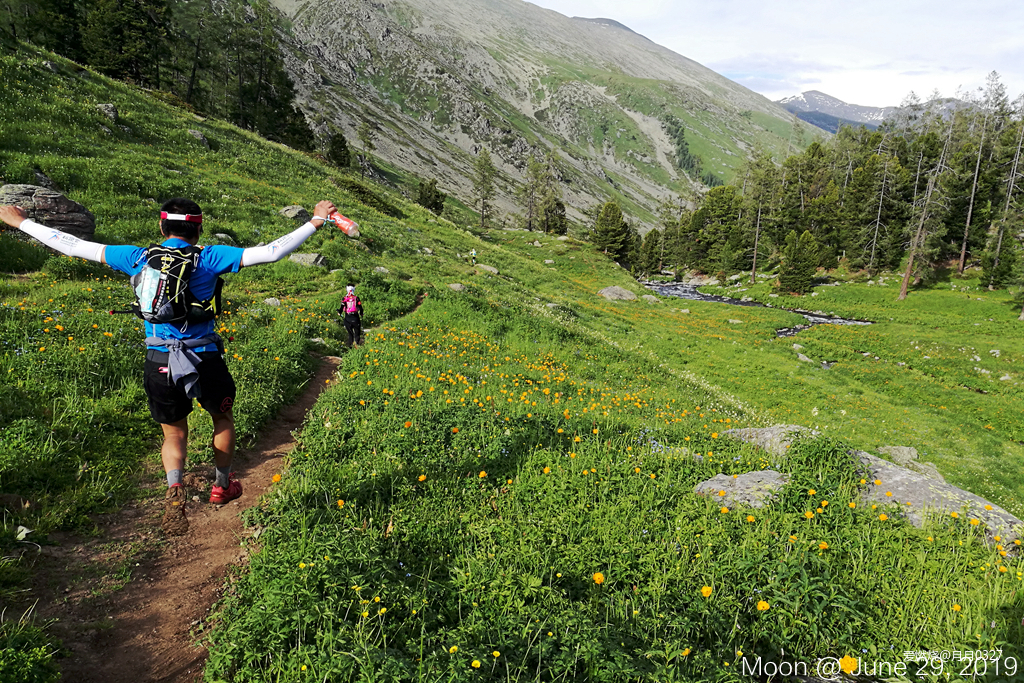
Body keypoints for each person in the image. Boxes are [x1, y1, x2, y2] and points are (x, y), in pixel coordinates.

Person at [0, 197, 337, 535]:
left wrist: (22, 223)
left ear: (162, 227)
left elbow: (74, 246)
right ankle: (221, 485)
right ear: (198, 228)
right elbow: (271, 252)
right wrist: (315, 222)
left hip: (159, 357)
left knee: (174, 433)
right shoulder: (209, 257)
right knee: (222, 417)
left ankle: (174, 490)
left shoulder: (137, 257)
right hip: (204, 356)